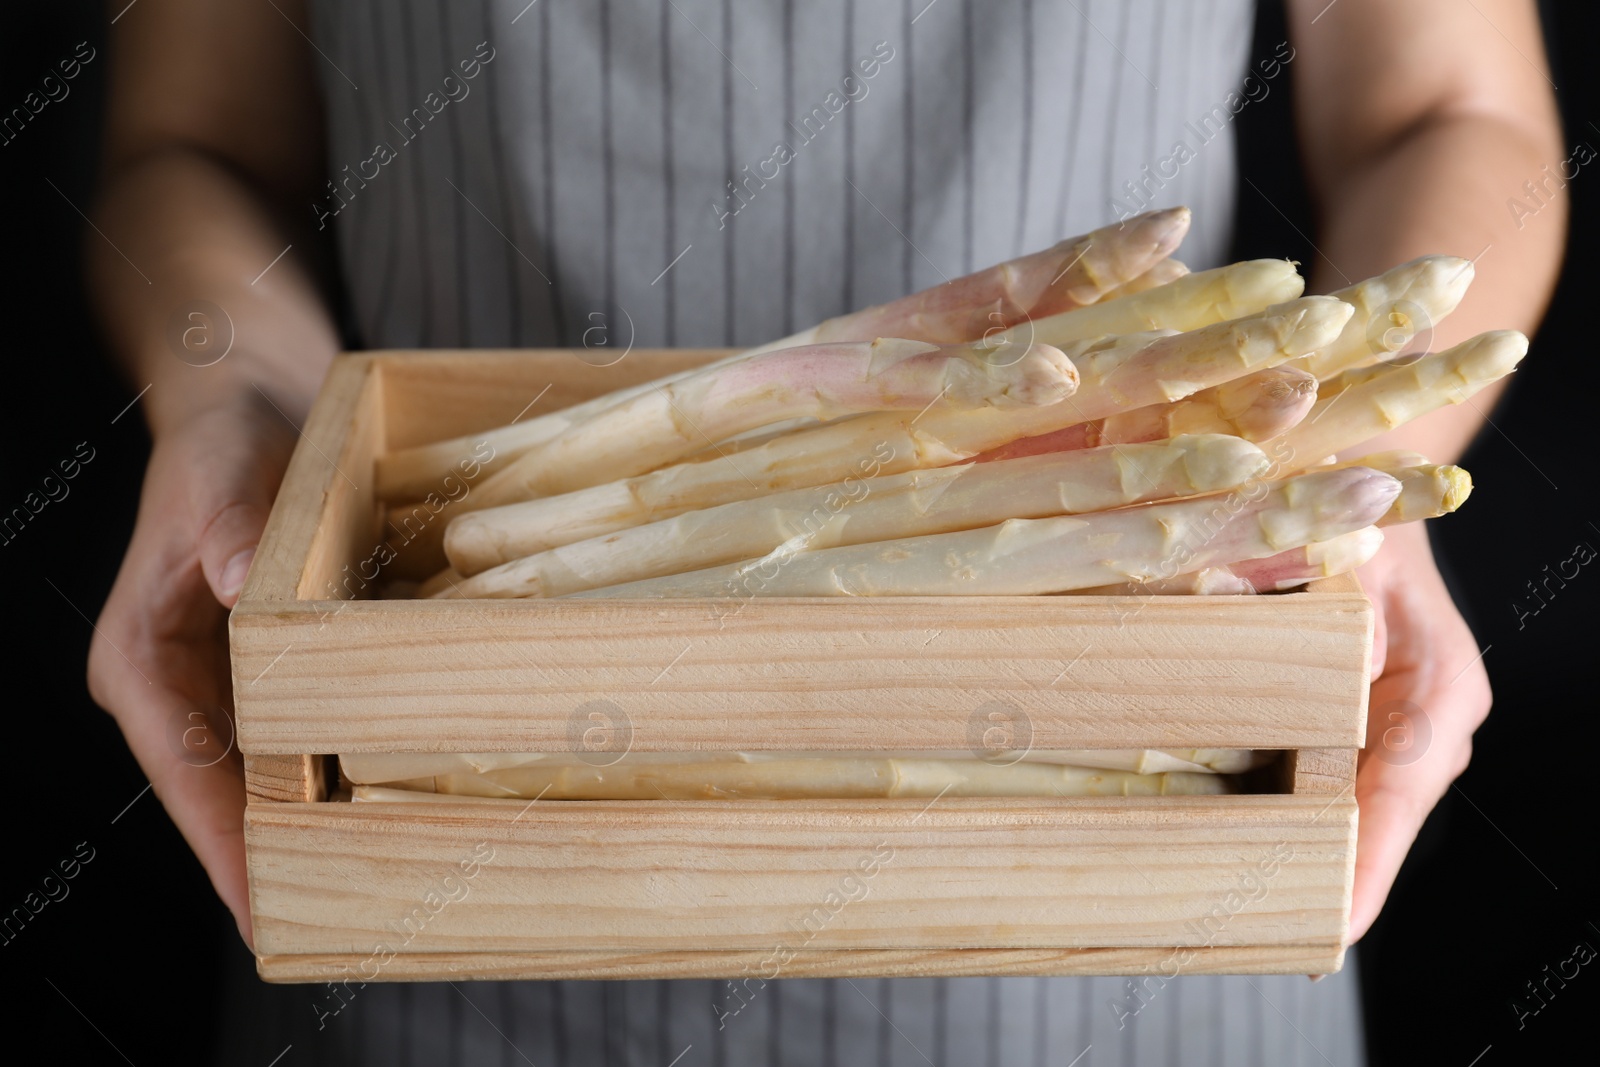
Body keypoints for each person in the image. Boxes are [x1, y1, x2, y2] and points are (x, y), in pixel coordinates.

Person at [86, 1, 1565, 1063]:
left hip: (1139, 873)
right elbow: (190, 142)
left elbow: (1453, 112)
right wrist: (237, 412)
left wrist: (1346, 453)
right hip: (438, 886)